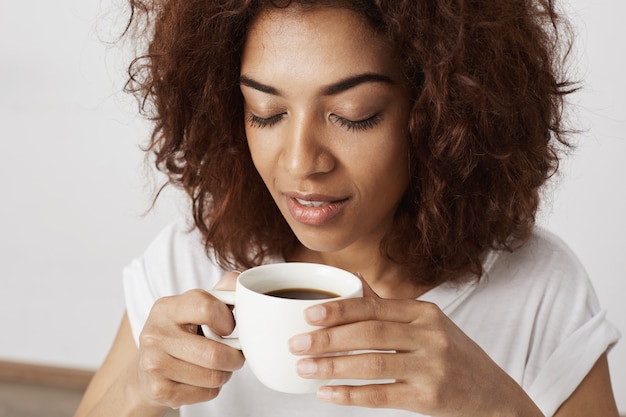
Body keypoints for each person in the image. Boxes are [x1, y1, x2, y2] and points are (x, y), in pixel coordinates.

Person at [74, 0, 621, 416]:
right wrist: (141, 391)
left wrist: (496, 403)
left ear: (441, 114)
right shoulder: (188, 265)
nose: (299, 163)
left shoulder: (539, 290)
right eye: (265, 113)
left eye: (353, 115)